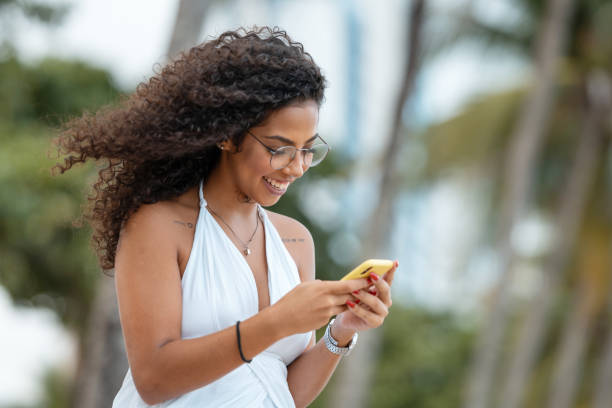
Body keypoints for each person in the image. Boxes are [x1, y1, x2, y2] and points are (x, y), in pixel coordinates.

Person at [54, 26, 398, 407]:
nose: (296, 167)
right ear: (228, 135)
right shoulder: (159, 226)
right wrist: (278, 321)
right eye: (280, 148)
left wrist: (343, 330)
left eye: (307, 150)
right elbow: (153, 379)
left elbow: (284, 391)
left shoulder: (295, 240)